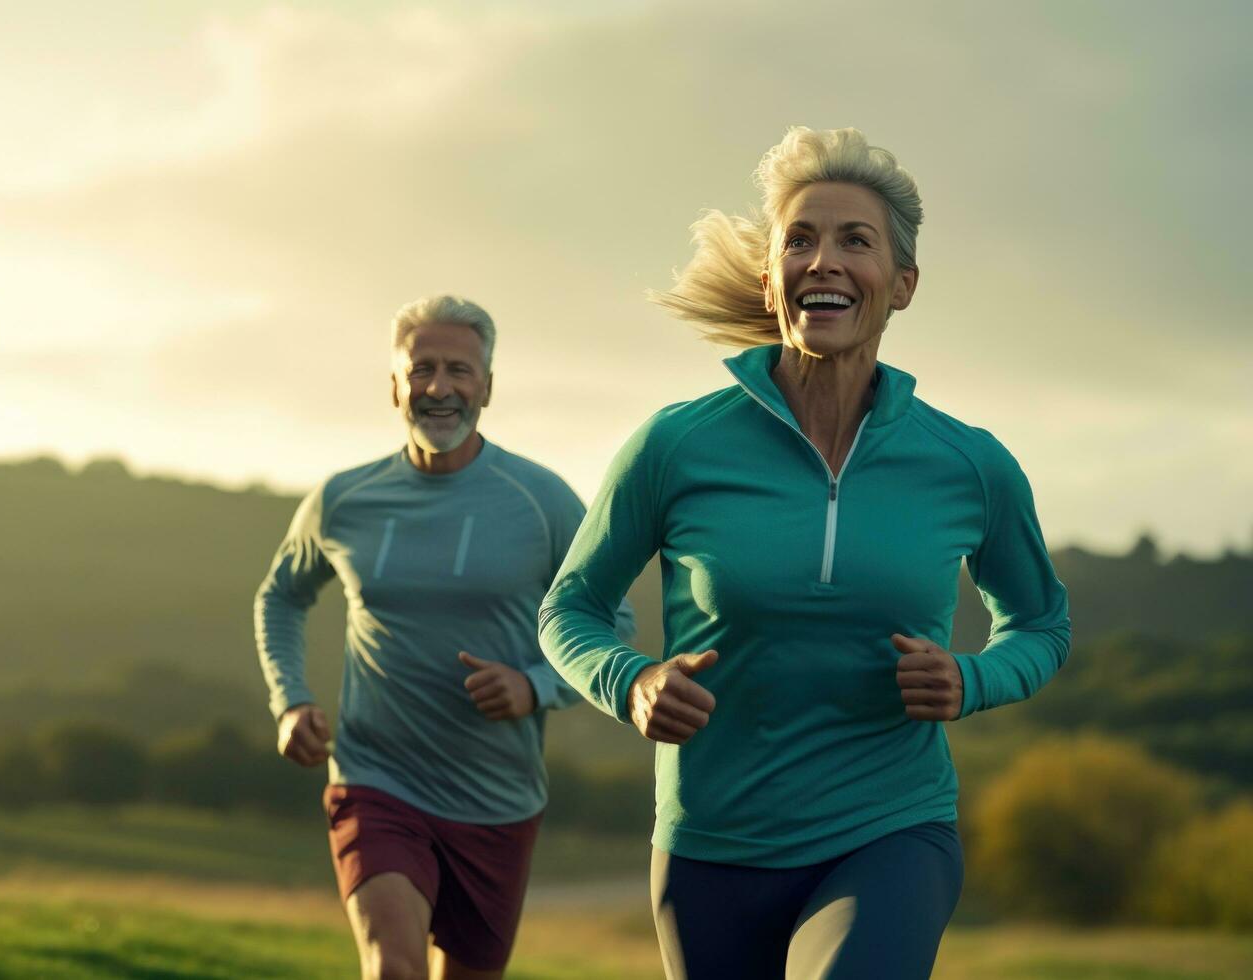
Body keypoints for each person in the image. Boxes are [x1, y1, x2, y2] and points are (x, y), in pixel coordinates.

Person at [538, 127, 1070, 979]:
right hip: (711, 845)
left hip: (891, 832)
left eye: (854, 241)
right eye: (800, 240)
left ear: (902, 286)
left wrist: (971, 680)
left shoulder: (968, 464)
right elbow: (570, 607)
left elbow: (1041, 622)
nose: (823, 260)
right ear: (770, 277)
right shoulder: (675, 446)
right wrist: (629, 680)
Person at [256, 294, 634, 980]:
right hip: (376, 780)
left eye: (458, 370)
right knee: (393, 968)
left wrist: (534, 685)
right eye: (421, 369)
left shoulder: (542, 500)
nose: (438, 387)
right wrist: (289, 700)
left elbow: (612, 620)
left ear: (486, 385)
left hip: (498, 800)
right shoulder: (345, 500)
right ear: (395, 386)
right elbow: (281, 596)